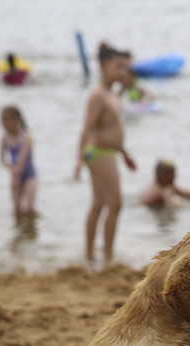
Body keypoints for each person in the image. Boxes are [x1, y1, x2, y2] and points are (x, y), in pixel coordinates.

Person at [75, 45, 136, 265]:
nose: (122, 72)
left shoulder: (112, 94)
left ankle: (90, 254)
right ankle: (107, 257)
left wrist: (125, 153)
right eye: (117, 67)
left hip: (110, 152)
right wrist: (78, 159)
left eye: (124, 67)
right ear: (102, 67)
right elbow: (87, 128)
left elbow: (113, 129)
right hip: (99, 153)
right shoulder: (97, 96)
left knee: (99, 203)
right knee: (115, 204)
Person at [0, 105, 37, 215]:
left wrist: (16, 173)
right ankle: (19, 230)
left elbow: (22, 160)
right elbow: (2, 159)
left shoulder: (26, 137)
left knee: (30, 209)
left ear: (17, 119)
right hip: (15, 173)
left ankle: (30, 231)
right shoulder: (4, 138)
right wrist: (11, 168)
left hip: (30, 175)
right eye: (2, 120)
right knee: (17, 210)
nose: (3, 124)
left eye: (6, 120)